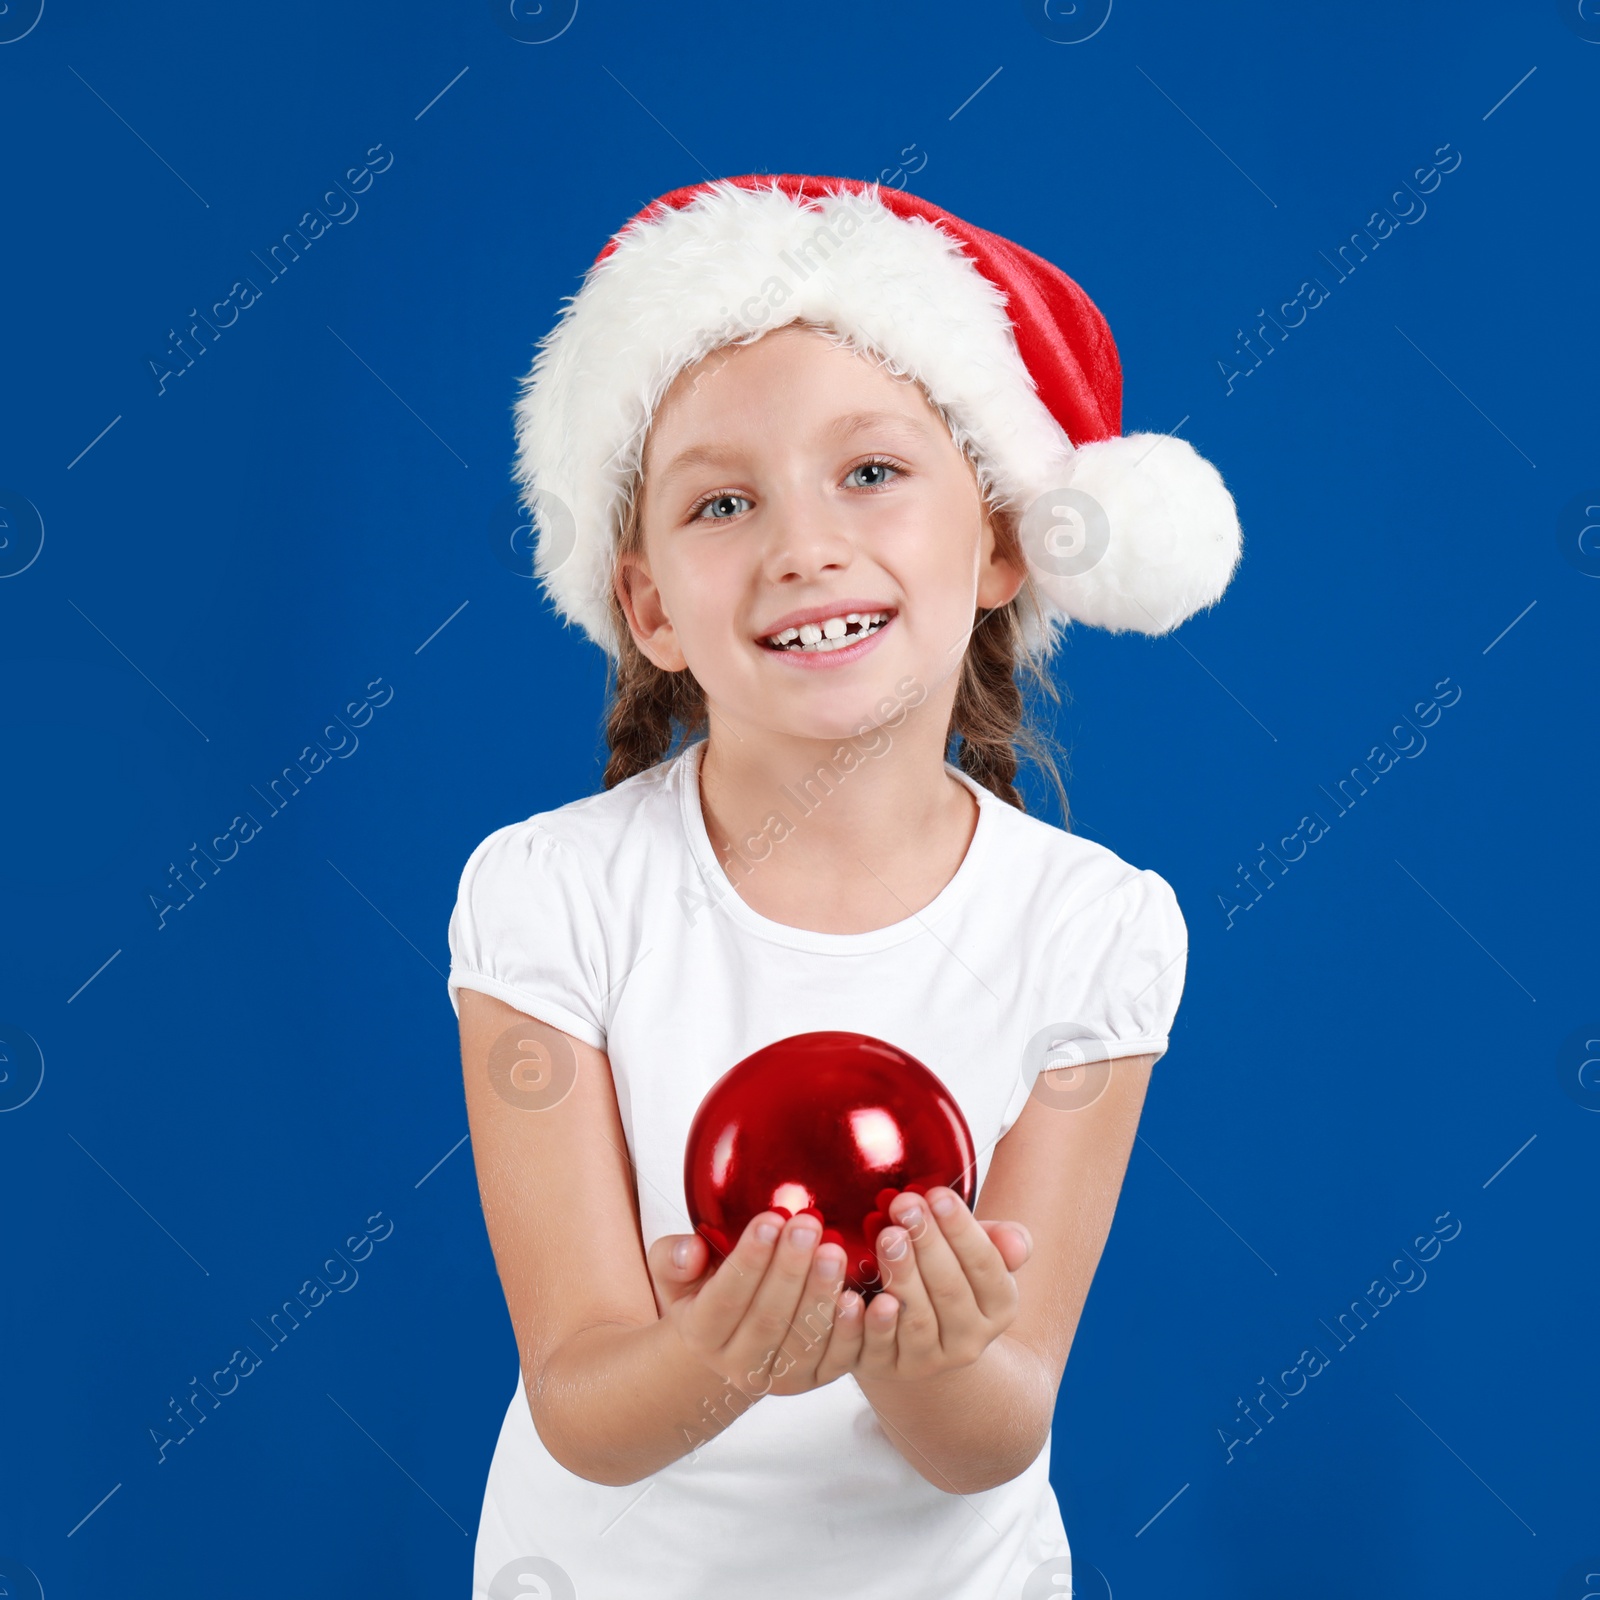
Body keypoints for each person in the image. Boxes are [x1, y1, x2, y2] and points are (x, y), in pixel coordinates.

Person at [446, 173, 1242, 1599]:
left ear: (1003, 540)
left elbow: (992, 1435)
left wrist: (927, 1351)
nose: (803, 545)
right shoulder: (545, 896)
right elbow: (582, 1405)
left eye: (869, 472)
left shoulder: (1096, 931)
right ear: (649, 609)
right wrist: (720, 1355)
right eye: (723, 502)